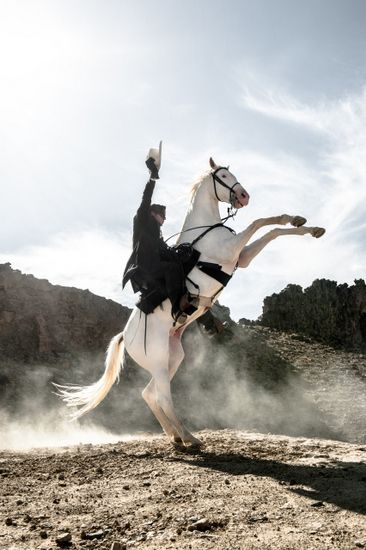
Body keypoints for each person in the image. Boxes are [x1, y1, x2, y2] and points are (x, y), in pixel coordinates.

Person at [122, 149, 194, 323]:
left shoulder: (157, 234)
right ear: (153, 213)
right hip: (143, 268)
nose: (165, 219)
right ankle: (177, 309)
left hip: (154, 268)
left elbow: (164, 250)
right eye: (163, 216)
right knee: (171, 268)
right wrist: (152, 176)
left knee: (178, 264)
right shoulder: (142, 221)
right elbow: (145, 199)